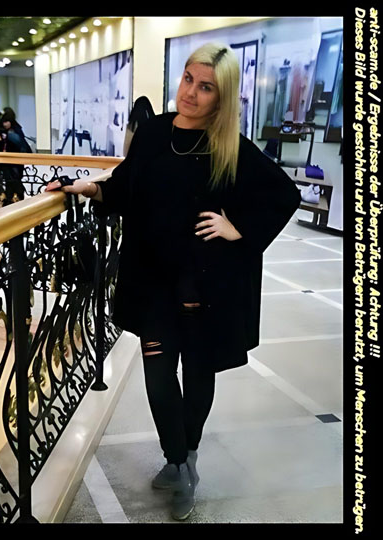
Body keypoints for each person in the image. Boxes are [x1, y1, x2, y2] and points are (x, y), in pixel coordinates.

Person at [46, 42, 301, 521]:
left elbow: (284, 194)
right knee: (159, 376)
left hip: (206, 287)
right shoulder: (154, 132)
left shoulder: (229, 146)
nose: (191, 93)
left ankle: (186, 462)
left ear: (221, 97)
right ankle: (179, 460)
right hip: (154, 284)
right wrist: (90, 187)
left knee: (198, 375)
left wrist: (238, 228)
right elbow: (126, 187)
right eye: (188, 79)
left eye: (206, 87)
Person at [0, 111, 32, 205]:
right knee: (11, 180)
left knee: (14, 180)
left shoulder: (13, 132)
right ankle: (11, 198)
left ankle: (14, 198)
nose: (5, 124)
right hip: (9, 160)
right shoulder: (8, 130)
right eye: (4, 122)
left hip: (14, 160)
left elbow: (20, 145)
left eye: (7, 122)